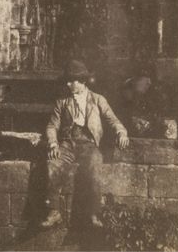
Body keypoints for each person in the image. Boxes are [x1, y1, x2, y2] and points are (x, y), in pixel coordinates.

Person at [40, 59, 130, 229]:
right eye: (67, 80)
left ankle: (94, 213)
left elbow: (113, 119)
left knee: (94, 166)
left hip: (89, 144)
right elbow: (52, 125)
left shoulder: (97, 99)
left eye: (71, 80)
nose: (68, 84)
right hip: (67, 144)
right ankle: (54, 211)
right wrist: (53, 143)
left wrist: (122, 132)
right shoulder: (62, 101)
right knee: (52, 163)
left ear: (82, 81)